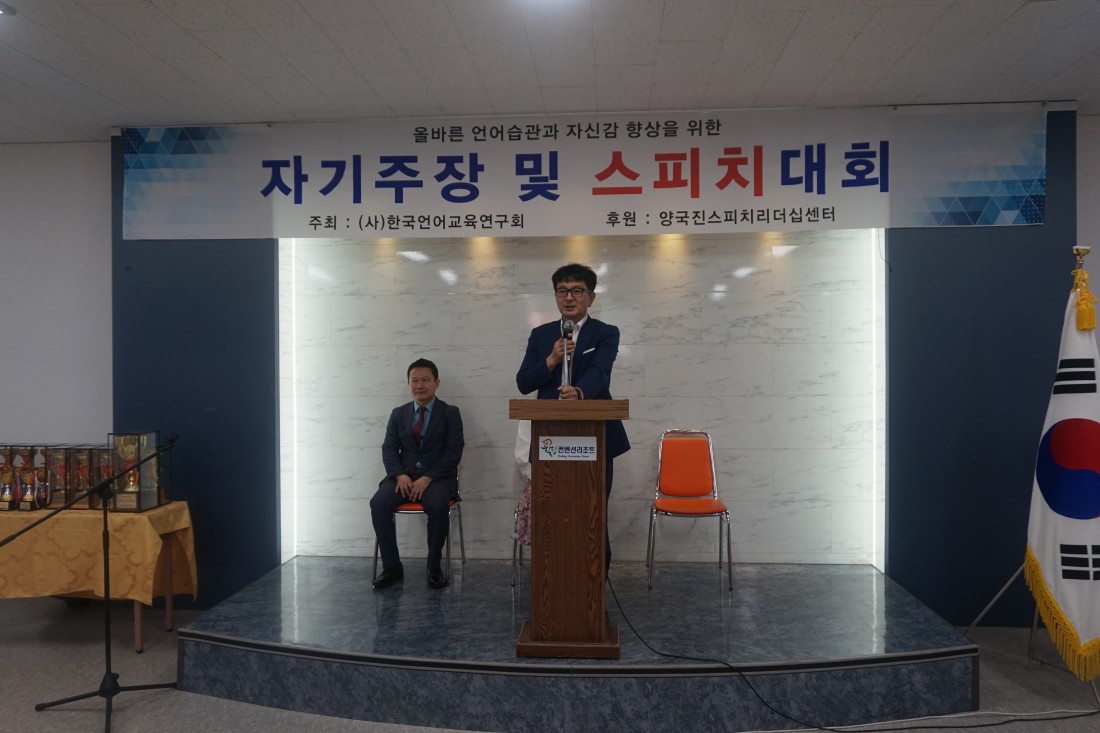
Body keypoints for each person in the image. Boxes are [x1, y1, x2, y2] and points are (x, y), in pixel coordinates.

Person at [515, 263, 629, 570]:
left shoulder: (605, 333)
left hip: (596, 437)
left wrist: (579, 392)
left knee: (593, 514)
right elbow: (524, 382)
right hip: (550, 439)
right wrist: (552, 359)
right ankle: (552, 586)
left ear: (591, 297)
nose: (569, 297)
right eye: (562, 291)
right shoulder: (541, 335)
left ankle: (594, 588)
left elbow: (600, 372)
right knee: (552, 515)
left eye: (577, 290)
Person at [371, 358, 464, 590]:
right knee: (379, 503)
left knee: (438, 505)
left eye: (425, 380)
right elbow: (389, 449)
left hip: (437, 478)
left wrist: (428, 477)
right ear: (408, 384)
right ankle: (392, 567)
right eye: (414, 381)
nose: (419, 385)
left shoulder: (450, 413)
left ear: (437, 382)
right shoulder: (398, 413)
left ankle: (434, 568)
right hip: (403, 476)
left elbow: (454, 452)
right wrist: (399, 474)